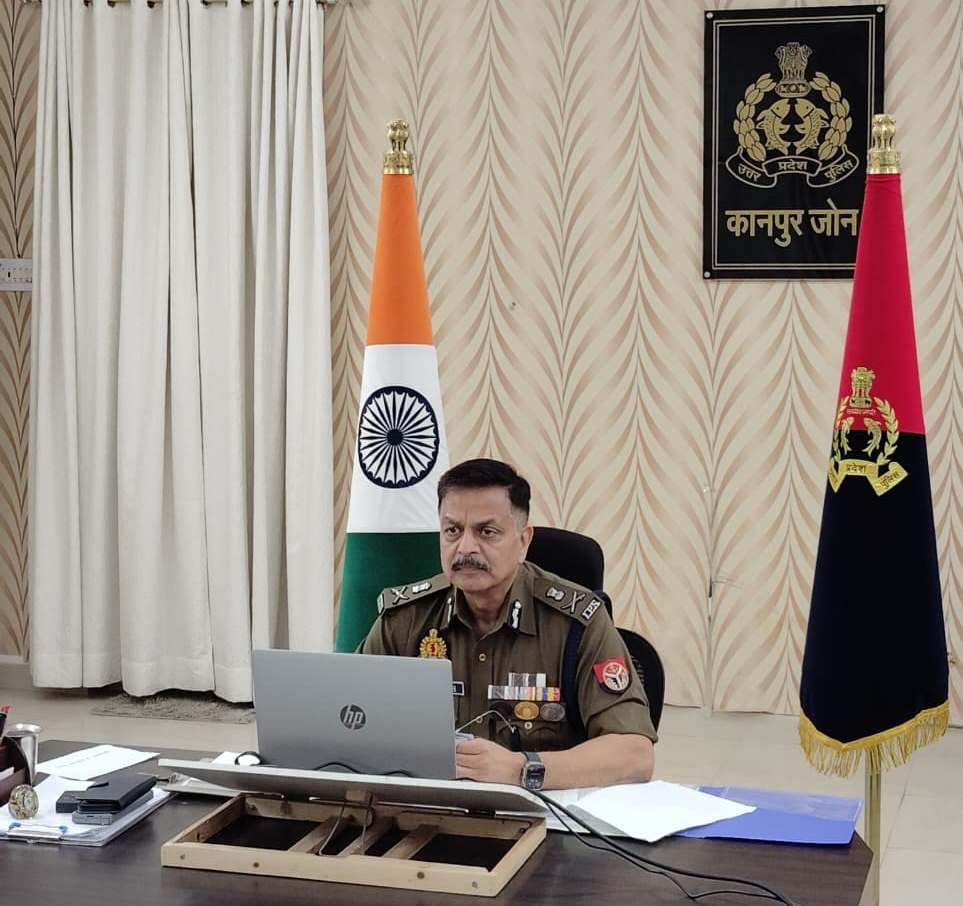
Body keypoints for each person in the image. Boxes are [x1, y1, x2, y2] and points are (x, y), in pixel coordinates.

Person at [361, 458, 656, 791]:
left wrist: (522, 768)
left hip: (540, 813)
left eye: (487, 532)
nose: (466, 548)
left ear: (523, 540)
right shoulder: (405, 619)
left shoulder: (577, 623)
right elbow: (349, 722)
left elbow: (635, 755)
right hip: (426, 805)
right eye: (453, 531)